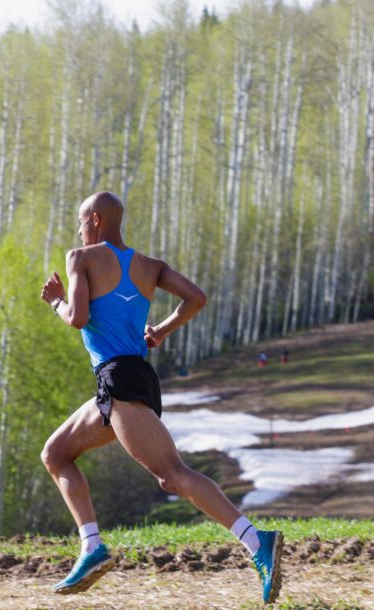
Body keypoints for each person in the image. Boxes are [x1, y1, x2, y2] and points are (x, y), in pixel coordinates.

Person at [39, 192, 283, 604]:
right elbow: (196, 298)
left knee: (171, 474)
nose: (79, 229)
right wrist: (163, 330)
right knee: (56, 454)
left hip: (119, 381)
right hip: (133, 380)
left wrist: (56, 301)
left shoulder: (80, 257)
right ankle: (91, 547)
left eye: (80, 221)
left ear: (95, 219)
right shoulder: (151, 267)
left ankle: (257, 542)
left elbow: (78, 318)